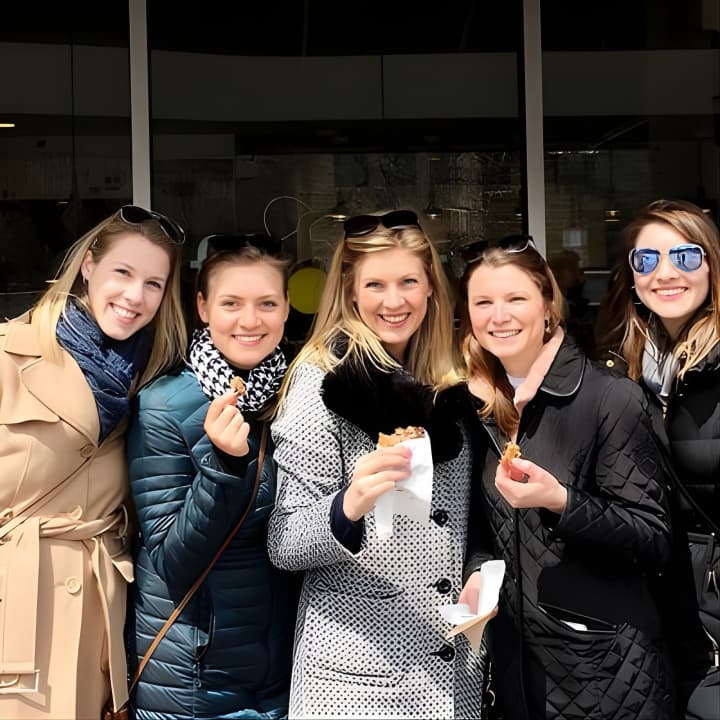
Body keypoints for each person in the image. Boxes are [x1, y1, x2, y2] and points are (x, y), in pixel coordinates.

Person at [267, 209, 483, 719]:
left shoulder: (452, 379)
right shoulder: (323, 382)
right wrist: (349, 504)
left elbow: (470, 516)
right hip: (357, 680)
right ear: (350, 292)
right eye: (376, 285)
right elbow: (284, 541)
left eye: (408, 281)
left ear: (430, 287)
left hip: (452, 670)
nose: (394, 301)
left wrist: (477, 572)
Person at [456, 235, 679, 719]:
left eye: (516, 298)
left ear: (547, 305)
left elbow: (654, 536)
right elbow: (485, 530)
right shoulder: (476, 405)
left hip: (608, 677)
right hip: (518, 675)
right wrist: (476, 573)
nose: (500, 316)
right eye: (483, 302)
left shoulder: (608, 397)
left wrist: (560, 500)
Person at [0, 205, 187, 719]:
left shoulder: (155, 378)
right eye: (122, 272)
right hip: (15, 619)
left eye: (153, 283)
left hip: (100, 630)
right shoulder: (9, 354)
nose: (134, 296)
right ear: (88, 265)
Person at [125, 239, 299, 719]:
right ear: (203, 308)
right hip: (194, 679)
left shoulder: (299, 394)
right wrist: (222, 466)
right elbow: (173, 560)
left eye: (267, 303)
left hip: (284, 673)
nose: (250, 321)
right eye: (231, 304)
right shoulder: (164, 404)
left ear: (287, 308)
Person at [595, 198, 718, 710]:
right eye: (646, 259)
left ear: (712, 264)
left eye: (686, 256)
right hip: (655, 614)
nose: (665, 273)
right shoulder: (621, 367)